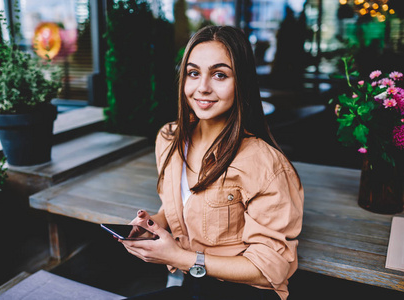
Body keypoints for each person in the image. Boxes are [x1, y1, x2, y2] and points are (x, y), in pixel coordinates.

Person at [119, 25, 304, 300]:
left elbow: (270, 269)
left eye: (219, 75)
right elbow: (180, 203)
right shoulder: (170, 138)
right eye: (194, 73)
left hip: (245, 291)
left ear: (240, 82)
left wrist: (181, 257)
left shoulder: (264, 163)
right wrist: (153, 225)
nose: (203, 88)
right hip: (195, 284)